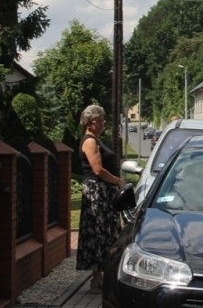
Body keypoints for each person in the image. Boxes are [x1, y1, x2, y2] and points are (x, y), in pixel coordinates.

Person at [76, 105, 125, 294]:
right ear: (89, 123)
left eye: (103, 120)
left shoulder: (95, 139)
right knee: (98, 233)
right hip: (96, 193)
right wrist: (117, 181)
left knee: (106, 233)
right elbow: (97, 169)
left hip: (103, 193)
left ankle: (102, 277)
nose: (103, 123)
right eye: (100, 121)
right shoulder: (89, 142)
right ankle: (97, 280)